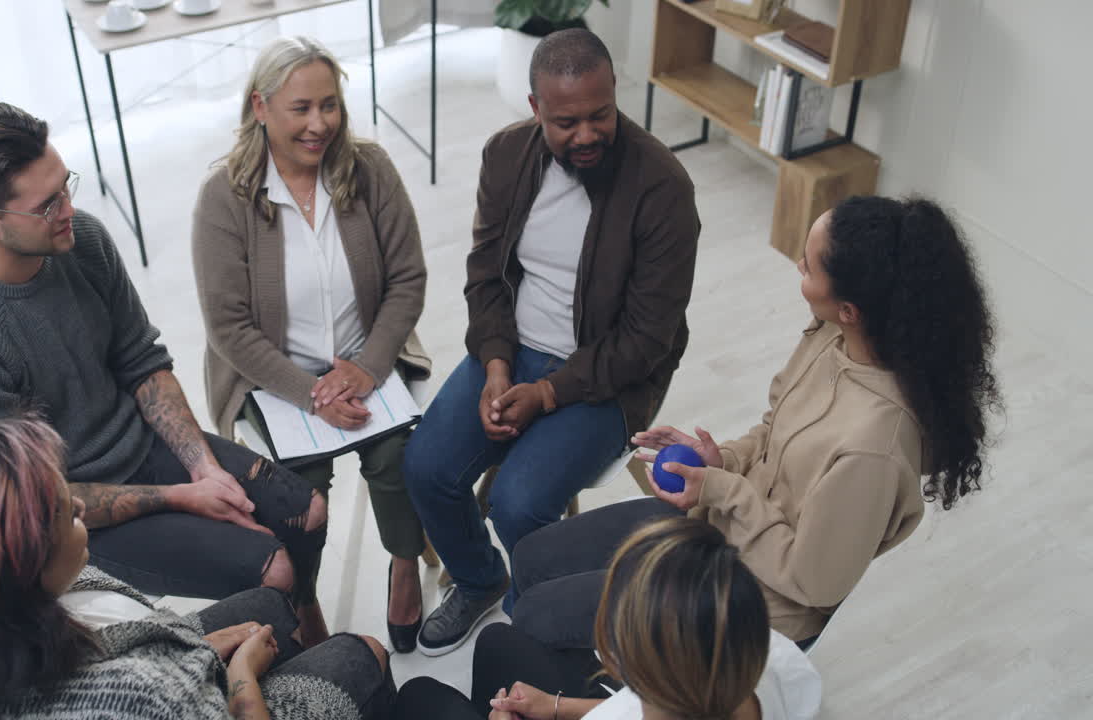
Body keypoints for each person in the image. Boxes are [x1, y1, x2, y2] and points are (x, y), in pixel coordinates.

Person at [0, 102, 329, 643]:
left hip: (142, 447)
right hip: (66, 517)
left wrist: (202, 467)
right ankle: (287, 660)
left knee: (307, 514)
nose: (68, 208)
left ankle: (306, 632)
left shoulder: (81, 239)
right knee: (272, 567)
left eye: (66, 185)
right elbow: (32, 503)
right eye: (46, 205)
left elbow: (143, 363)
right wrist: (183, 497)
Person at [509, 195, 1003, 650]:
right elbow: (773, 431)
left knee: (534, 617)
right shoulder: (833, 338)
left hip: (754, 605)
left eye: (809, 267)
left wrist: (721, 489)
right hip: (719, 528)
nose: (798, 267)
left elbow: (814, 582)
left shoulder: (873, 452)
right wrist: (720, 461)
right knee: (532, 559)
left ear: (849, 308)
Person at [403, 28, 700, 656]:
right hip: (515, 351)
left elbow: (648, 339)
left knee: (519, 504)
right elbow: (485, 275)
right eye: (567, 122)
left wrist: (546, 392)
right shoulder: (508, 156)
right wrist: (495, 365)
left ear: (616, 93)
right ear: (535, 108)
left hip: (607, 377)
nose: (587, 134)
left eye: (600, 114)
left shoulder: (663, 189)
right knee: (426, 467)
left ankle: (533, 615)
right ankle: (481, 580)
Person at [0, 416, 394, 720]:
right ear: (25, 576)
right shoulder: (143, 698)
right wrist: (240, 677)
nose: (78, 506)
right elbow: (160, 699)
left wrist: (198, 652)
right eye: (60, 510)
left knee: (269, 605)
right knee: (361, 653)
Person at [191, 36, 431, 652]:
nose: (319, 123)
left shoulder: (369, 169)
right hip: (272, 381)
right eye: (301, 108)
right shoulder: (225, 196)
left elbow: (407, 278)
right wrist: (312, 394)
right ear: (261, 107)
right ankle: (302, 598)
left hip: (365, 359)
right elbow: (229, 327)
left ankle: (405, 564)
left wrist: (370, 367)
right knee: (298, 495)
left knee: (401, 458)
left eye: (330, 105)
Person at [394, 517, 822, 720]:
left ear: (620, 664)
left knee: (418, 696)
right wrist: (557, 707)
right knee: (495, 643)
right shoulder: (772, 658)